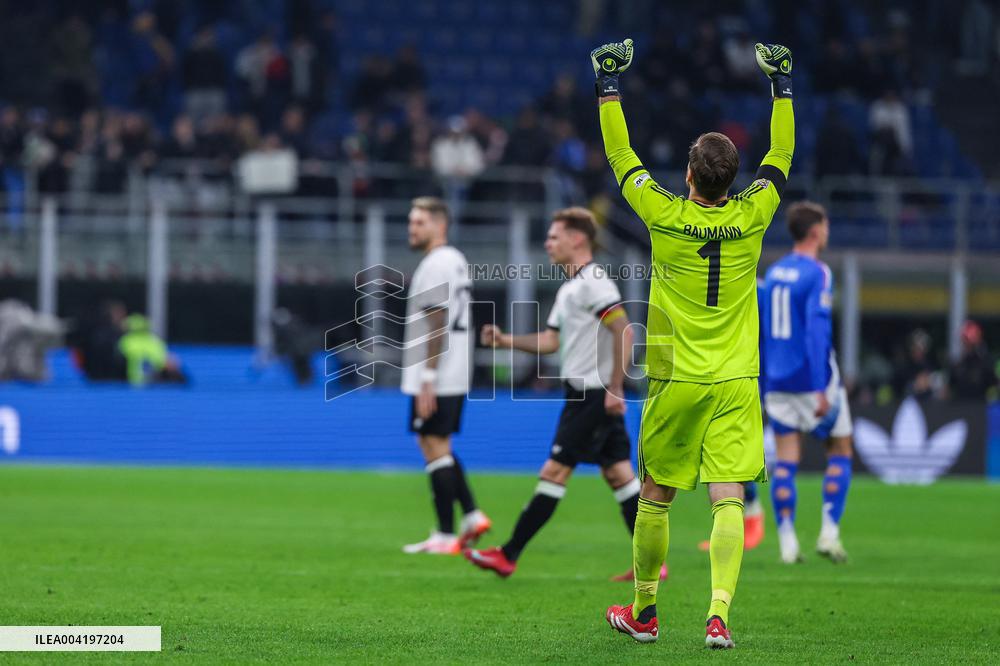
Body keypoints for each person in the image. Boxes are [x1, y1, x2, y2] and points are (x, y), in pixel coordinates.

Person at [592, 39, 794, 648]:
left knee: (655, 494)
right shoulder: (756, 212)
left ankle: (645, 613)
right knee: (728, 496)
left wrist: (608, 85)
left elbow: (620, 153)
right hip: (735, 377)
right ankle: (718, 616)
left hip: (676, 376)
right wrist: (782, 86)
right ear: (735, 179)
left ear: (687, 175)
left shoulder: (661, 213)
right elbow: (781, 153)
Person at [464, 207, 666, 583]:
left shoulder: (595, 283)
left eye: (555, 236)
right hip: (584, 394)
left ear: (578, 239)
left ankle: (508, 555)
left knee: (554, 471)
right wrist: (506, 340)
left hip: (593, 396)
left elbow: (625, 332)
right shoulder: (571, 288)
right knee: (620, 476)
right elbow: (550, 341)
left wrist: (615, 387)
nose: (548, 243)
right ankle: (654, 564)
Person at [759, 201, 854, 565]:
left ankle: (787, 542)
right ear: (815, 232)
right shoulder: (819, 273)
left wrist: (766, 380)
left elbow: (765, 332)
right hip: (814, 379)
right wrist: (819, 386)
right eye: (826, 226)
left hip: (779, 382)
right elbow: (817, 331)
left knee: (785, 461)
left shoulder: (776, 271)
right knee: (840, 449)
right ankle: (829, 533)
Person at [401, 197, 491, 554]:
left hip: (437, 372)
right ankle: (470, 515)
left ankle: (445, 533)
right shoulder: (454, 260)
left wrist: (427, 378)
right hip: (453, 369)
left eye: (419, 222)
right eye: (411, 221)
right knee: (437, 445)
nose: (412, 228)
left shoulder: (436, 263)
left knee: (434, 446)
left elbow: (437, 323)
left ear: (440, 225)